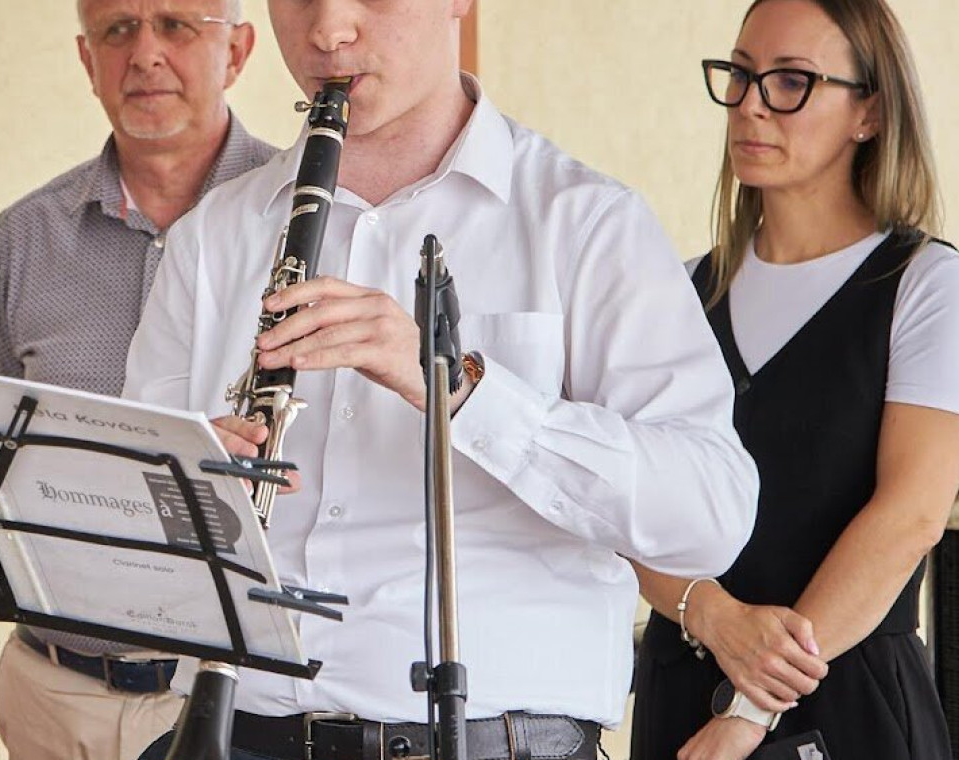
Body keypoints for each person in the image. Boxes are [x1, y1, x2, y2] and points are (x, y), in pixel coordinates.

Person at [125, 1, 761, 758]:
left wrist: (462, 391)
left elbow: (710, 515)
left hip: (497, 740)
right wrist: (187, 496)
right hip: (240, 734)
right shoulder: (209, 240)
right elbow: (129, 564)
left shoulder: (586, 222)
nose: (328, 29)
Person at [629, 1, 959, 758]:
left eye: (791, 81)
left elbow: (910, 517)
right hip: (682, 693)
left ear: (870, 112)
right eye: (741, 75)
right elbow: (628, 508)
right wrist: (714, 617)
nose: (751, 106)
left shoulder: (925, 284)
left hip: (849, 704)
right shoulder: (679, 293)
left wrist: (749, 710)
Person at [0, 1, 273, 757]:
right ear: (87, 60)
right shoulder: (24, 237)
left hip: (240, 701)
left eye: (176, 24)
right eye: (117, 30)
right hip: (51, 692)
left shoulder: (314, 218)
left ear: (237, 51)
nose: (144, 54)